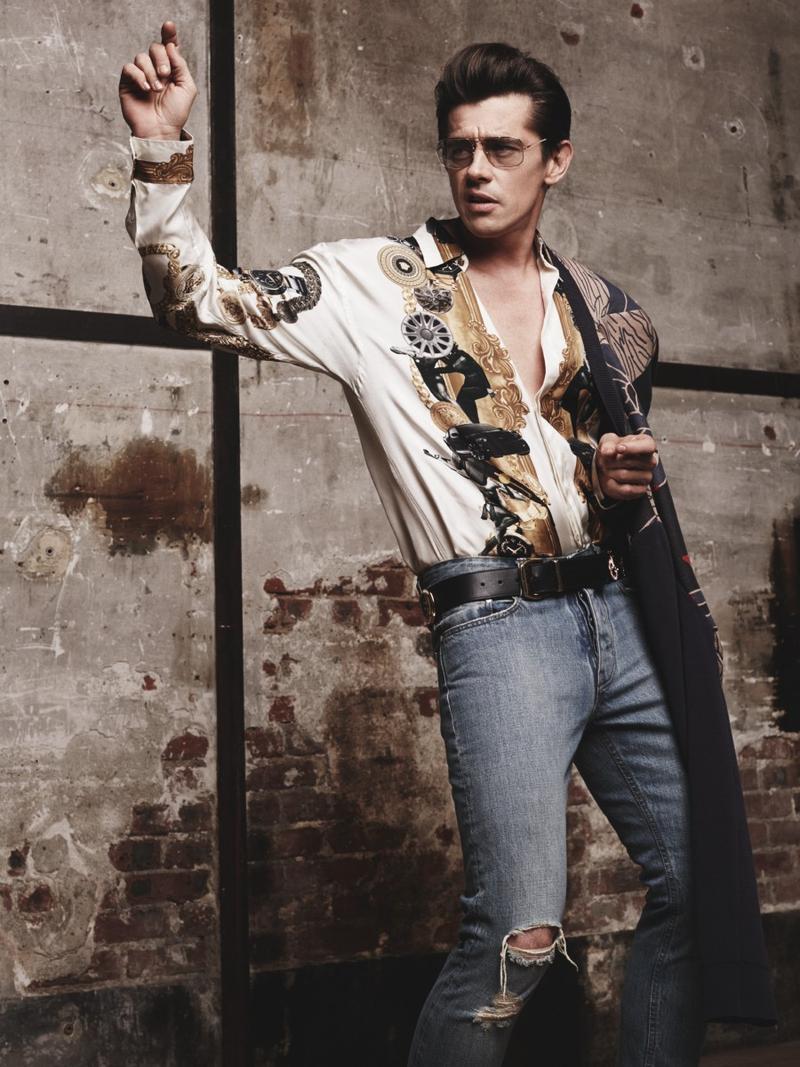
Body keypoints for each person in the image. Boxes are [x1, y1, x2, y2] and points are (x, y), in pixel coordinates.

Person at [119, 22, 776, 1067]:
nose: (476, 168)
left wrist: (612, 480)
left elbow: (599, 475)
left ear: (555, 160)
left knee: (696, 890)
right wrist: (161, 148)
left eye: (503, 148)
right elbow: (195, 301)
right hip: (500, 625)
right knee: (517, 937)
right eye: (459, 147)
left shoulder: (610, 314)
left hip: (619, 612)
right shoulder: (371, 284)